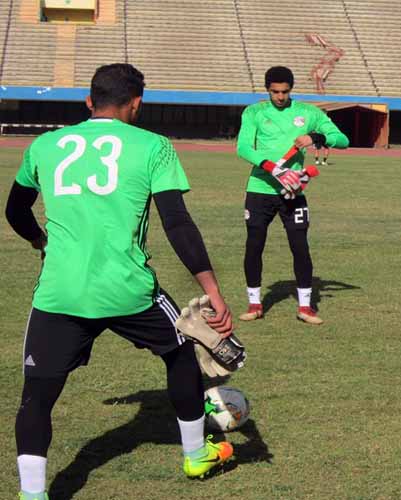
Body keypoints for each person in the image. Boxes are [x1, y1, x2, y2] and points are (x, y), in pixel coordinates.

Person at [5, 63, 235, 500]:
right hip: (129, 289)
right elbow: (177, 223)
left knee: (37, 395)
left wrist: (39, 240)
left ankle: (32, 494)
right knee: (183, 350)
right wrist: (212, 290)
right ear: (137, 103)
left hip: (60, 292)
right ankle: (195, 454)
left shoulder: (45, 144)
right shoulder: (153, 146)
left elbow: (15, 211)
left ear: (88, 102)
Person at [236, 66, 349, 325]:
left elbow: (342, 140)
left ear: (291, 89)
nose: (280, 97)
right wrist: (272, 168)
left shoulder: (308, 112)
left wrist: (315, 136)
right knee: (254, 245)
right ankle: (254, 304)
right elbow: (243, 147)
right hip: (260, 190)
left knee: (300, 247)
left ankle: (306, 308)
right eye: (275, 92)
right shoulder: (253, 112)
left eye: (285, 92)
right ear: (267, 90)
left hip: (293, 191)